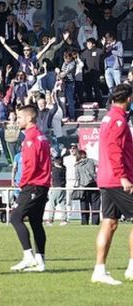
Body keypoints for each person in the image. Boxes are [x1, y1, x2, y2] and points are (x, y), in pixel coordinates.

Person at [91, 84, 133, 285]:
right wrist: (123, 176)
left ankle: (99, 270)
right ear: (128, 99)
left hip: (106, 178)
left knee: (109, 221)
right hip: (117, 179)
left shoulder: (107, 117)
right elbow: (114, 148)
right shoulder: (118, 120)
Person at [9, 105, 51, 272]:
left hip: (33, 185)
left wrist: (22, 185)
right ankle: (40, 261)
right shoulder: (41, 137)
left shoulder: (31, 138)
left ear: (28, 118)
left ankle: (28, 256)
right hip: (42, 185)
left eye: (19, 118)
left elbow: (31, 165)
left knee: (15, 218)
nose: (17, 121)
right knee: (36, 223)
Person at [75, 149, 99, 226]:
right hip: (93, 184)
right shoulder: (91, 161)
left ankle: (84, 222)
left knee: (84, 205)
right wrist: (96, 176)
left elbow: (77, 177)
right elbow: (101, 165)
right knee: (95, 204)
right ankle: (95, 222)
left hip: (82, 186)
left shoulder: (77, 165)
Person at [45, 156, 68, 226]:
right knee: (63, 204)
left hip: (56, 188)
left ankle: (50, 220)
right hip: (63, 188)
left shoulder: (55, 169)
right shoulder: (63, 168)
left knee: (52, 204)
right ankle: (64, 219)